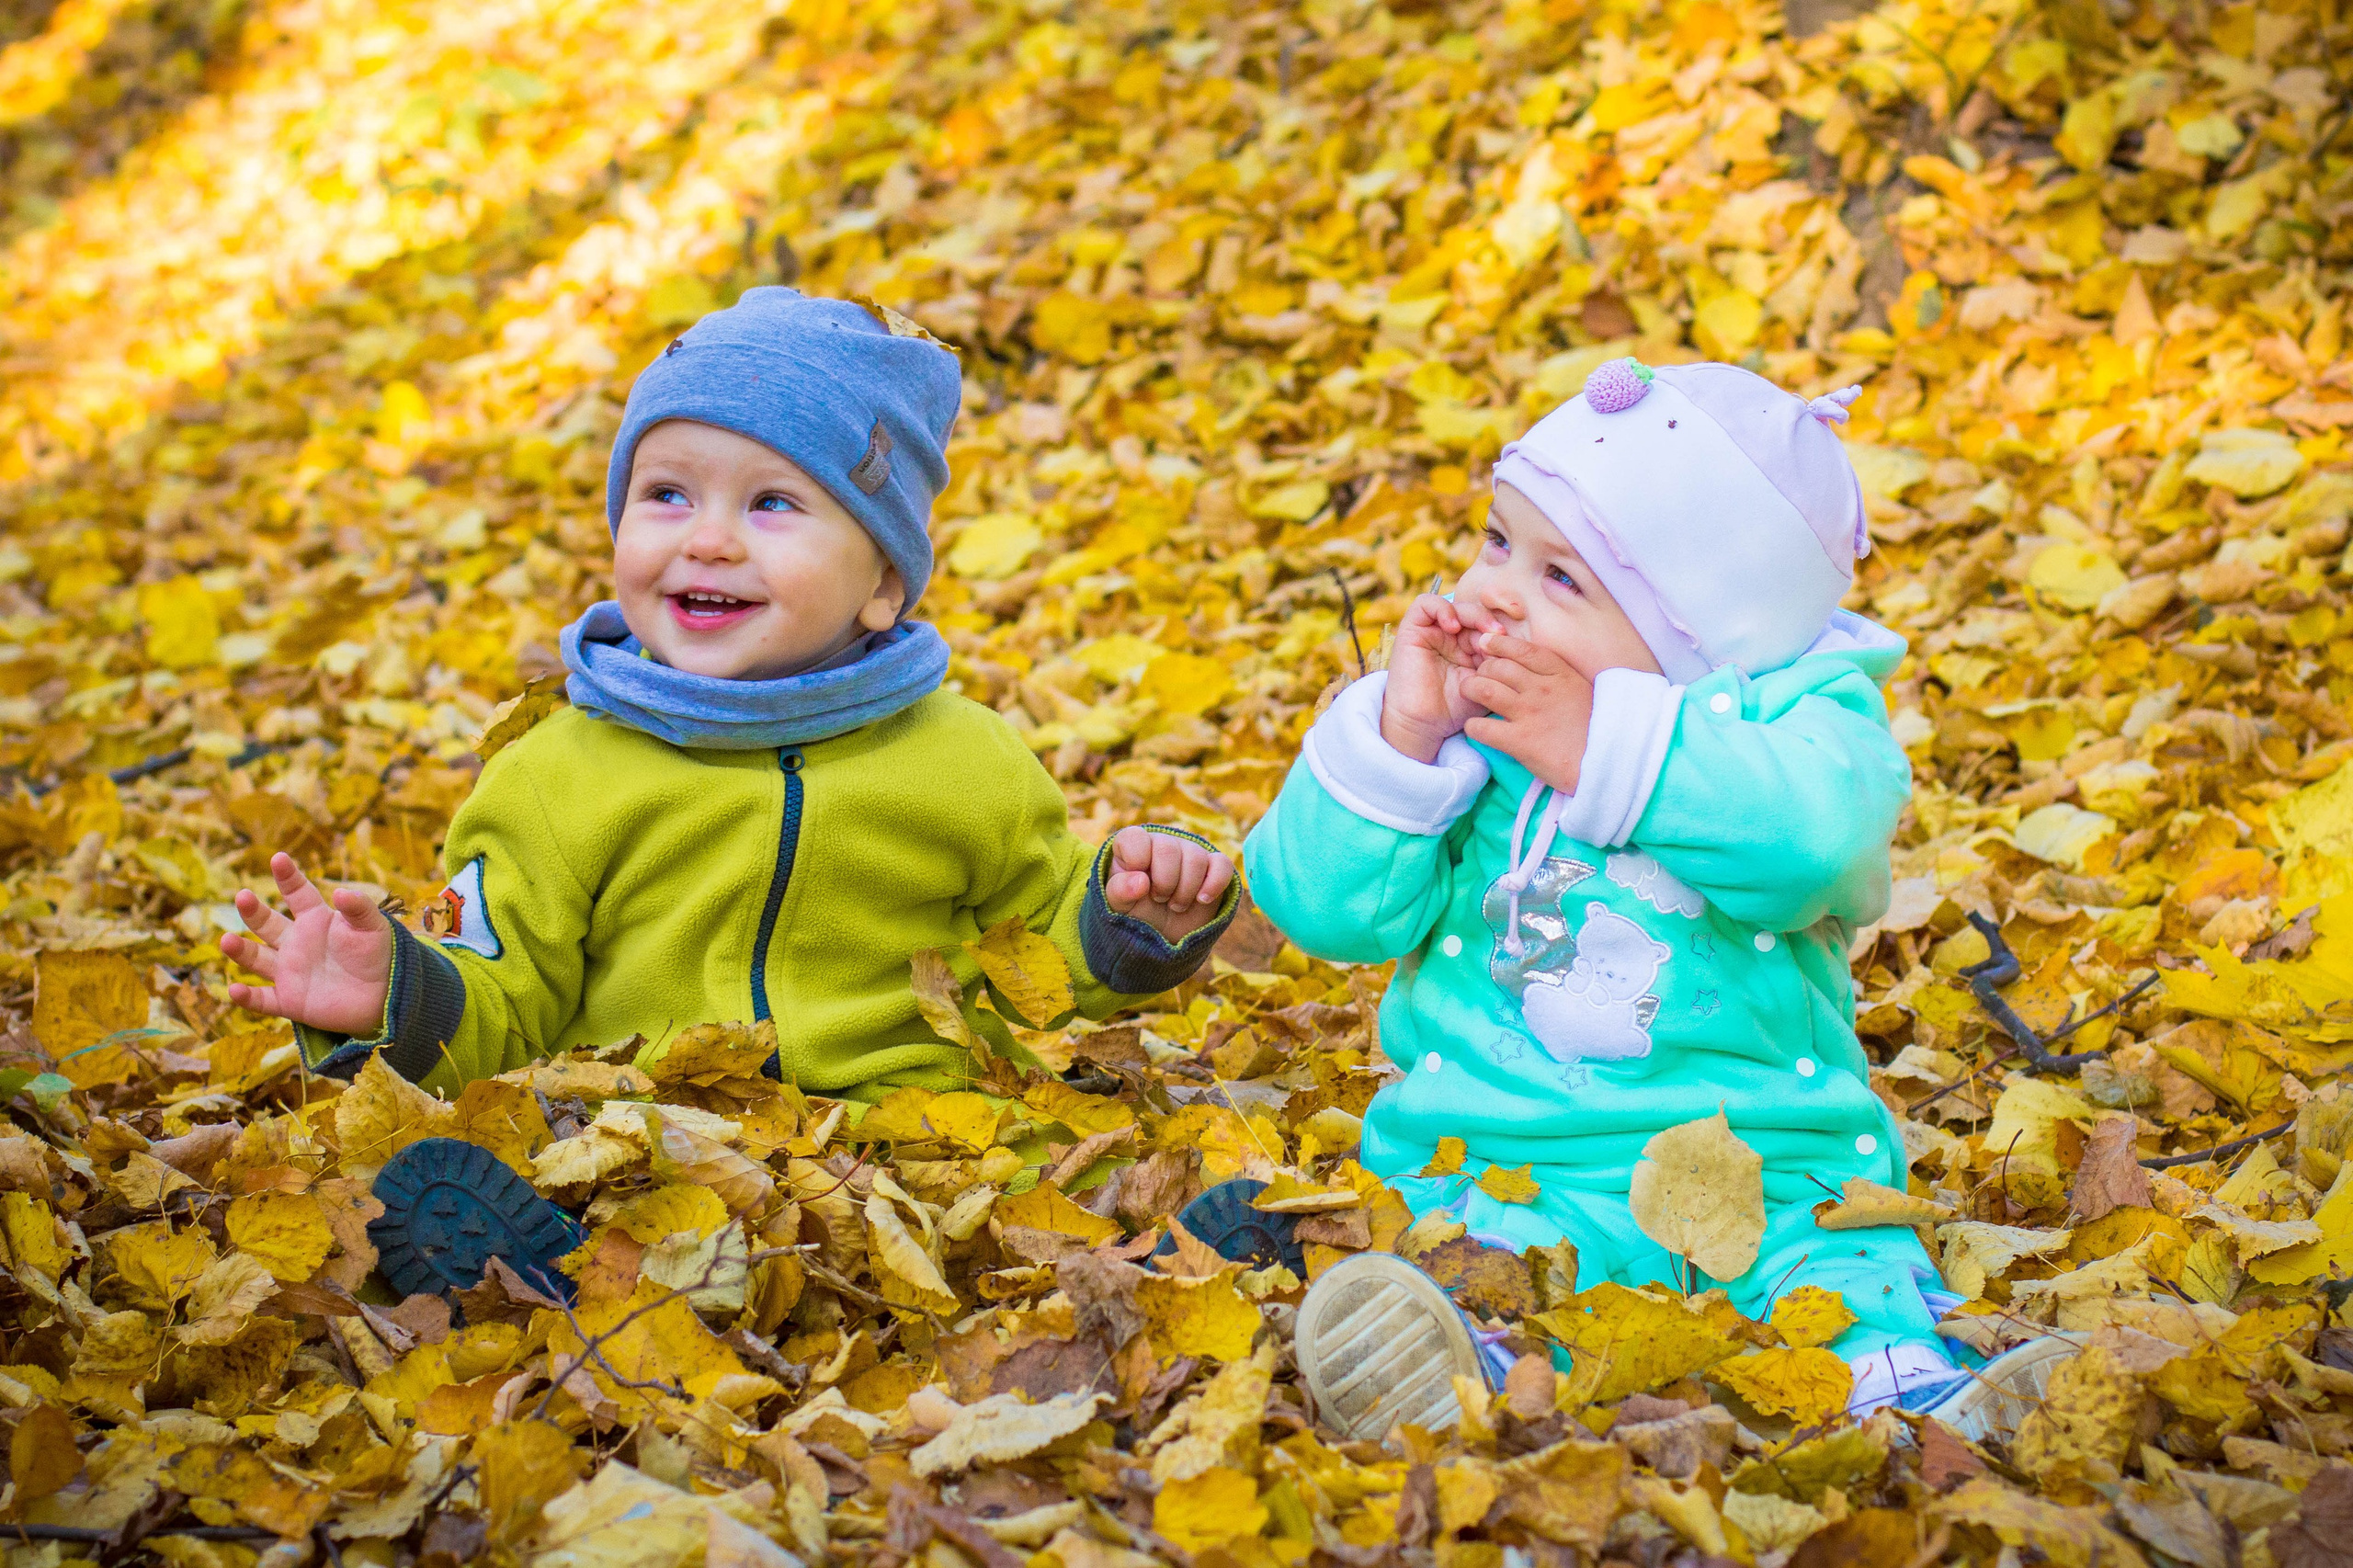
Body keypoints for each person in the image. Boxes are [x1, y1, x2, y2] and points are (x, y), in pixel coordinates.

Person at [222, 289, 1237, 1298]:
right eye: (667, 493)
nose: (708, 539)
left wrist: (1129, 920)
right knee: (581, 1172)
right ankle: (552, 1271)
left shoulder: (965, 759)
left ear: (882, 584)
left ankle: (1170, 1263)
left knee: (1046, 1173)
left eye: (771, 503)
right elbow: (504, 991)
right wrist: (396, 994)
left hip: (907, 1130)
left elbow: (1039, 950)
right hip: (652, 1132)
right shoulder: (553, 775)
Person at [1223, 358, 2069, 1443]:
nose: (1494, 591)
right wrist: (1400, 741)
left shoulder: (1799, 725)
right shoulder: (1468, 727)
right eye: (1495, 540)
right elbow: (1325, 912)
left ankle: (1912, 1391)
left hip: (1771, 1156)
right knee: (1482, 1256)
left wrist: (1606, 746)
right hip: (1507, 1155)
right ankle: (1476, 1367)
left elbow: (1816, 847)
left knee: (1834, 1265)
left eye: (1560, 577)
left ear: (1697, 631)